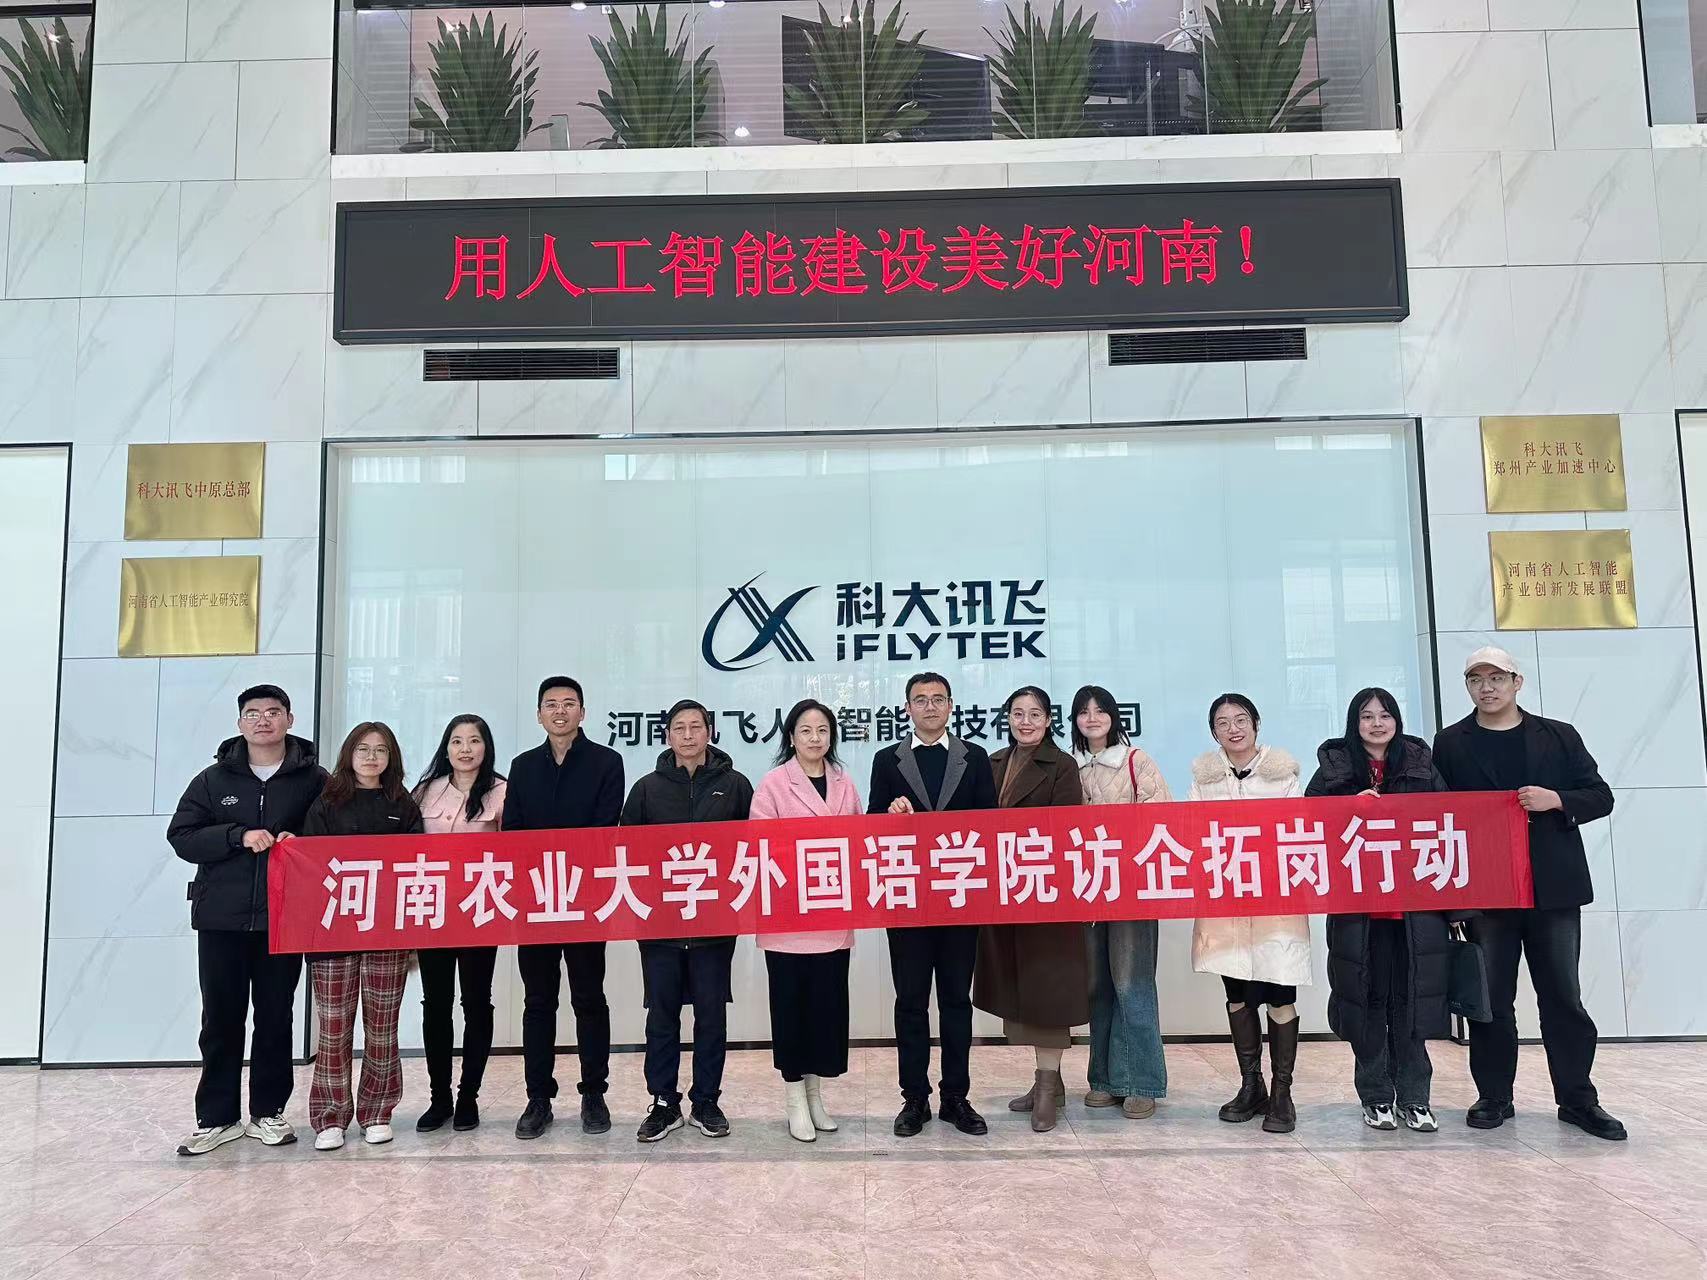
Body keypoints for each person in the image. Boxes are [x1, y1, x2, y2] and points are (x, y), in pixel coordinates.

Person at [1433, 646, 1625, 1141]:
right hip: (1489, 890)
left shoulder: (1558, 735)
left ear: (1517, 682)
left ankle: (1578, 1100)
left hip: (1553, 890)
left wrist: (1556, 799)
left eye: (1497, 678)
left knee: (1563, 997)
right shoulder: (1451, 742)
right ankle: (1494, 1096)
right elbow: (1439, 813)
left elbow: (1600, 796)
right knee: (1492, 1000)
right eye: (1476, 679)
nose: (1487, 687)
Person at [168, 684, 327, 1157]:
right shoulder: (213, 780)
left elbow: (332, 833)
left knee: (276, 1018)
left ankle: (268, 1112)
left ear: (289, 720)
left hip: (284, 918)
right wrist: (237, 835)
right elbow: (182, 835)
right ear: (240, 723)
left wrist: (302, 841)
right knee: (220, 1019)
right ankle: (217, 1118)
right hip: (221, 918)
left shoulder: (314, 779)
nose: (263, 721)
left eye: (273, 712)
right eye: (253, 713)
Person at [1308, 688, 1453, 1134]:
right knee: (1367, 1004)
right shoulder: (1334, 767)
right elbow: (1308, 823)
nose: (1376, 724)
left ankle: (1415, 1098)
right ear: (1354, 723)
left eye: (1385, 715)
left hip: (1413, 910)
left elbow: (1449, 819)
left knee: (1410, 1002)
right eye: (1367, 716)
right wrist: (1349, 809)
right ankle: (1375, 1097)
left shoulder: (1421, 763)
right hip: (1358, 909)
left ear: (1396, 721)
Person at [867, 671, 997, 1138]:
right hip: (907, 899)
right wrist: (889, 815)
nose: (929, 707)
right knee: (910, 1001)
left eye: (937, 699)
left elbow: (990, 823)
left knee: (957, 1001)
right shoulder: (887, 760)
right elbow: (871, 822)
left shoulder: (974, 757)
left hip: (960, 897)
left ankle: (956, 1097)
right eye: (920, 700)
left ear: (950, 706)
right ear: (907, 708)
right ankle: (915, 1098)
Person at [621, 699, 754, 1143]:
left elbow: (752, 848)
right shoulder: (646, 789)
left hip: (714, 924)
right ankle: (663, 1102)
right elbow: (627, 851)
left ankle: (706, 1100)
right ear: (667, 736)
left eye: (696, 726)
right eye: (679, 728)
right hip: (660, 925)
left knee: (711, 1015)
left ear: (709, 732)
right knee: (661, 1015)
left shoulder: (735, 785)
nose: (689, 735)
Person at [505, 677, 626, 1140]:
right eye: (551, 705)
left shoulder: (606, 762)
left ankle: (594, 1093)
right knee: (538, 1002)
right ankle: (538, 1098)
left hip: (585, 900)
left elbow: (604, 828)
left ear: (583, 712)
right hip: (535, 901)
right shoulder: (522, 767)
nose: (560, 711)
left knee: (589, 998)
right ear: (539, 715)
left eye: (569, 703)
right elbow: (513, 831)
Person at [1188, 693, 1310, 1134]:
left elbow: (1298, 832)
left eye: (1241, 720)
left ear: (1256, 724)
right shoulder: (1204, 779)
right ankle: (1251, 1085)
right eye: (1222, 723)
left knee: (1280, 993)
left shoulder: (1284, 775)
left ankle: (1282, 1093)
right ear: (1213, 732)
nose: (1233, 729)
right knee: (1237, 991)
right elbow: (1193, 832)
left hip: (1276, 902)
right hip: (1225, 901)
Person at [301, 722, 423, 1151]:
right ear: (349, 755)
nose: (372, 757)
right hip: (333, 932)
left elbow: (416, 864)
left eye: (381, 750)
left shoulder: (402, 804)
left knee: (382, 1028)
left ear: (392, 758)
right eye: (363, 749)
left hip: (387, 932)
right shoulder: (326, 802)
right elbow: (308, 866)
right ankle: (330, 1116)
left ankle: (377, 1111)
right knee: (333, 1029)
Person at [974, 685, 1088, 1133]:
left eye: (1035, 714)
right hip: (1004, 893)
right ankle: (1048, 1084)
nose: (1026, 722)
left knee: (1048, 995)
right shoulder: (992, 763)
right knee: (1020, 995)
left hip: (1046, 894)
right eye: (1018, 713)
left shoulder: (1062, 765)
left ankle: (1046, 1088)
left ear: (1048, 720)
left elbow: (1065, 829)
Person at [750, 699, 861, 1142]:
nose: (815, 738)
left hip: (832, 917)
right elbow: (761, 845)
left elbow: (858, 841)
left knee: (825, 1013)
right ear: (791, 738)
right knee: (791, 1013)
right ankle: (794, 1098)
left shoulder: (844, 781)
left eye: (822, 730)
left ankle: (816, 1097)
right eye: (806, 731)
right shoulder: (774, 783)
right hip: (788, 922)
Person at [1071, 684, 1171, 1120]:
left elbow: (1160, 818)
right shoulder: (1071, 766)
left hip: (1131, 888)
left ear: (1114, 717)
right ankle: (1105, 1079)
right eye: (1083, 712)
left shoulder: (1136, 760)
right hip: (1087, 889)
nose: (1092, 718)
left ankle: (1142, 1082)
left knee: (1132, 983)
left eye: (1100, 710)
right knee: (1098, 986)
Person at [411, 714, 507, 1134]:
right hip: (432, 910)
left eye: (474, 741)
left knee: (476, 1002)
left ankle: (469, 1096)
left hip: (480, 911)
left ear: (486, 747)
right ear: (446, 748)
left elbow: (518, 851)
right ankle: (440, 1098)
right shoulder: (424, 791)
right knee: (435, 1004)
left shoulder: (503, 792)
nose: (465, 749)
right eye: (456, 741)